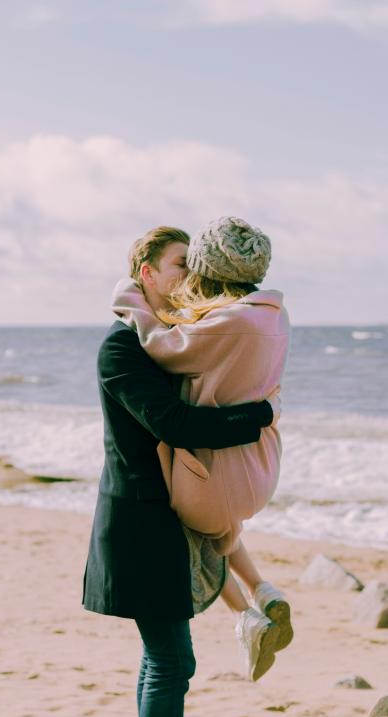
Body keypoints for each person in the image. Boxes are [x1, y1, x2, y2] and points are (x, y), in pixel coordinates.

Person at [82, 226, 281, 717]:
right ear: (143, 271)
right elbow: (174, 422)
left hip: (163, 521)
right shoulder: (122, 349)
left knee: (172, 662)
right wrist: (264, 414)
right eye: (175, 266)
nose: (186, 278)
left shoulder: (175, 345)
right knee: (169, 663)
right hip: (138, 526)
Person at [112, 217, 293, 681]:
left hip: (215, 479)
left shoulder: (217, 326)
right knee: (215, 518)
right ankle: (260, 594)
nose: (188, 275)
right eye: (179, 264)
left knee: (197, 515)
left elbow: (162, 346)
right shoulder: (273, 314)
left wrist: (128, 297)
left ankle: (247, 615)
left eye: (192, 264)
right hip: (258, 467)